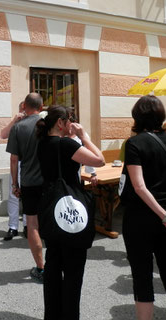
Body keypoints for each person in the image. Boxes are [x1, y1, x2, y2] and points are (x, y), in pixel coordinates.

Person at [121, 95, 166, 320]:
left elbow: (139, 186)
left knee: (142, 274)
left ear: (137, 116)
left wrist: (163, 215)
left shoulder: (135, 143)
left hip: (141, 217)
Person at [36, 105, 104, 319]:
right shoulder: (65, 144)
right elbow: (99, 160)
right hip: (70, 208)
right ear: (60, 123)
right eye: (69, 120)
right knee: (74, 271)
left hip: (50, 207)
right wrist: (84, 136)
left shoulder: (43, 142)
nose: (72, 123)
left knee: (53, 265)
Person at [6, 93, 45, 282]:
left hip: (29, 182)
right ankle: (54, 265)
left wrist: (15, 183)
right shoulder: (47, 125)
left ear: (24, 107)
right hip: (49, 182)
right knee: (51, 223)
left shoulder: (19, 127)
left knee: (33, 225)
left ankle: (41, 267)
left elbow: (14, 159)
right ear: (42, 106)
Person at [0, 101, 27, 241]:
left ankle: (28, 225)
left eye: (25, 110)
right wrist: (13, 121)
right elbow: (2, 135)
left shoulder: (35, 123)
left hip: (30, 163)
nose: (23, 112)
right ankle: (13, 226)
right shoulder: (16, 124)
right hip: (16, 162)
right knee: (13, 195)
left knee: (29, 195)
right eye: (21, 110)